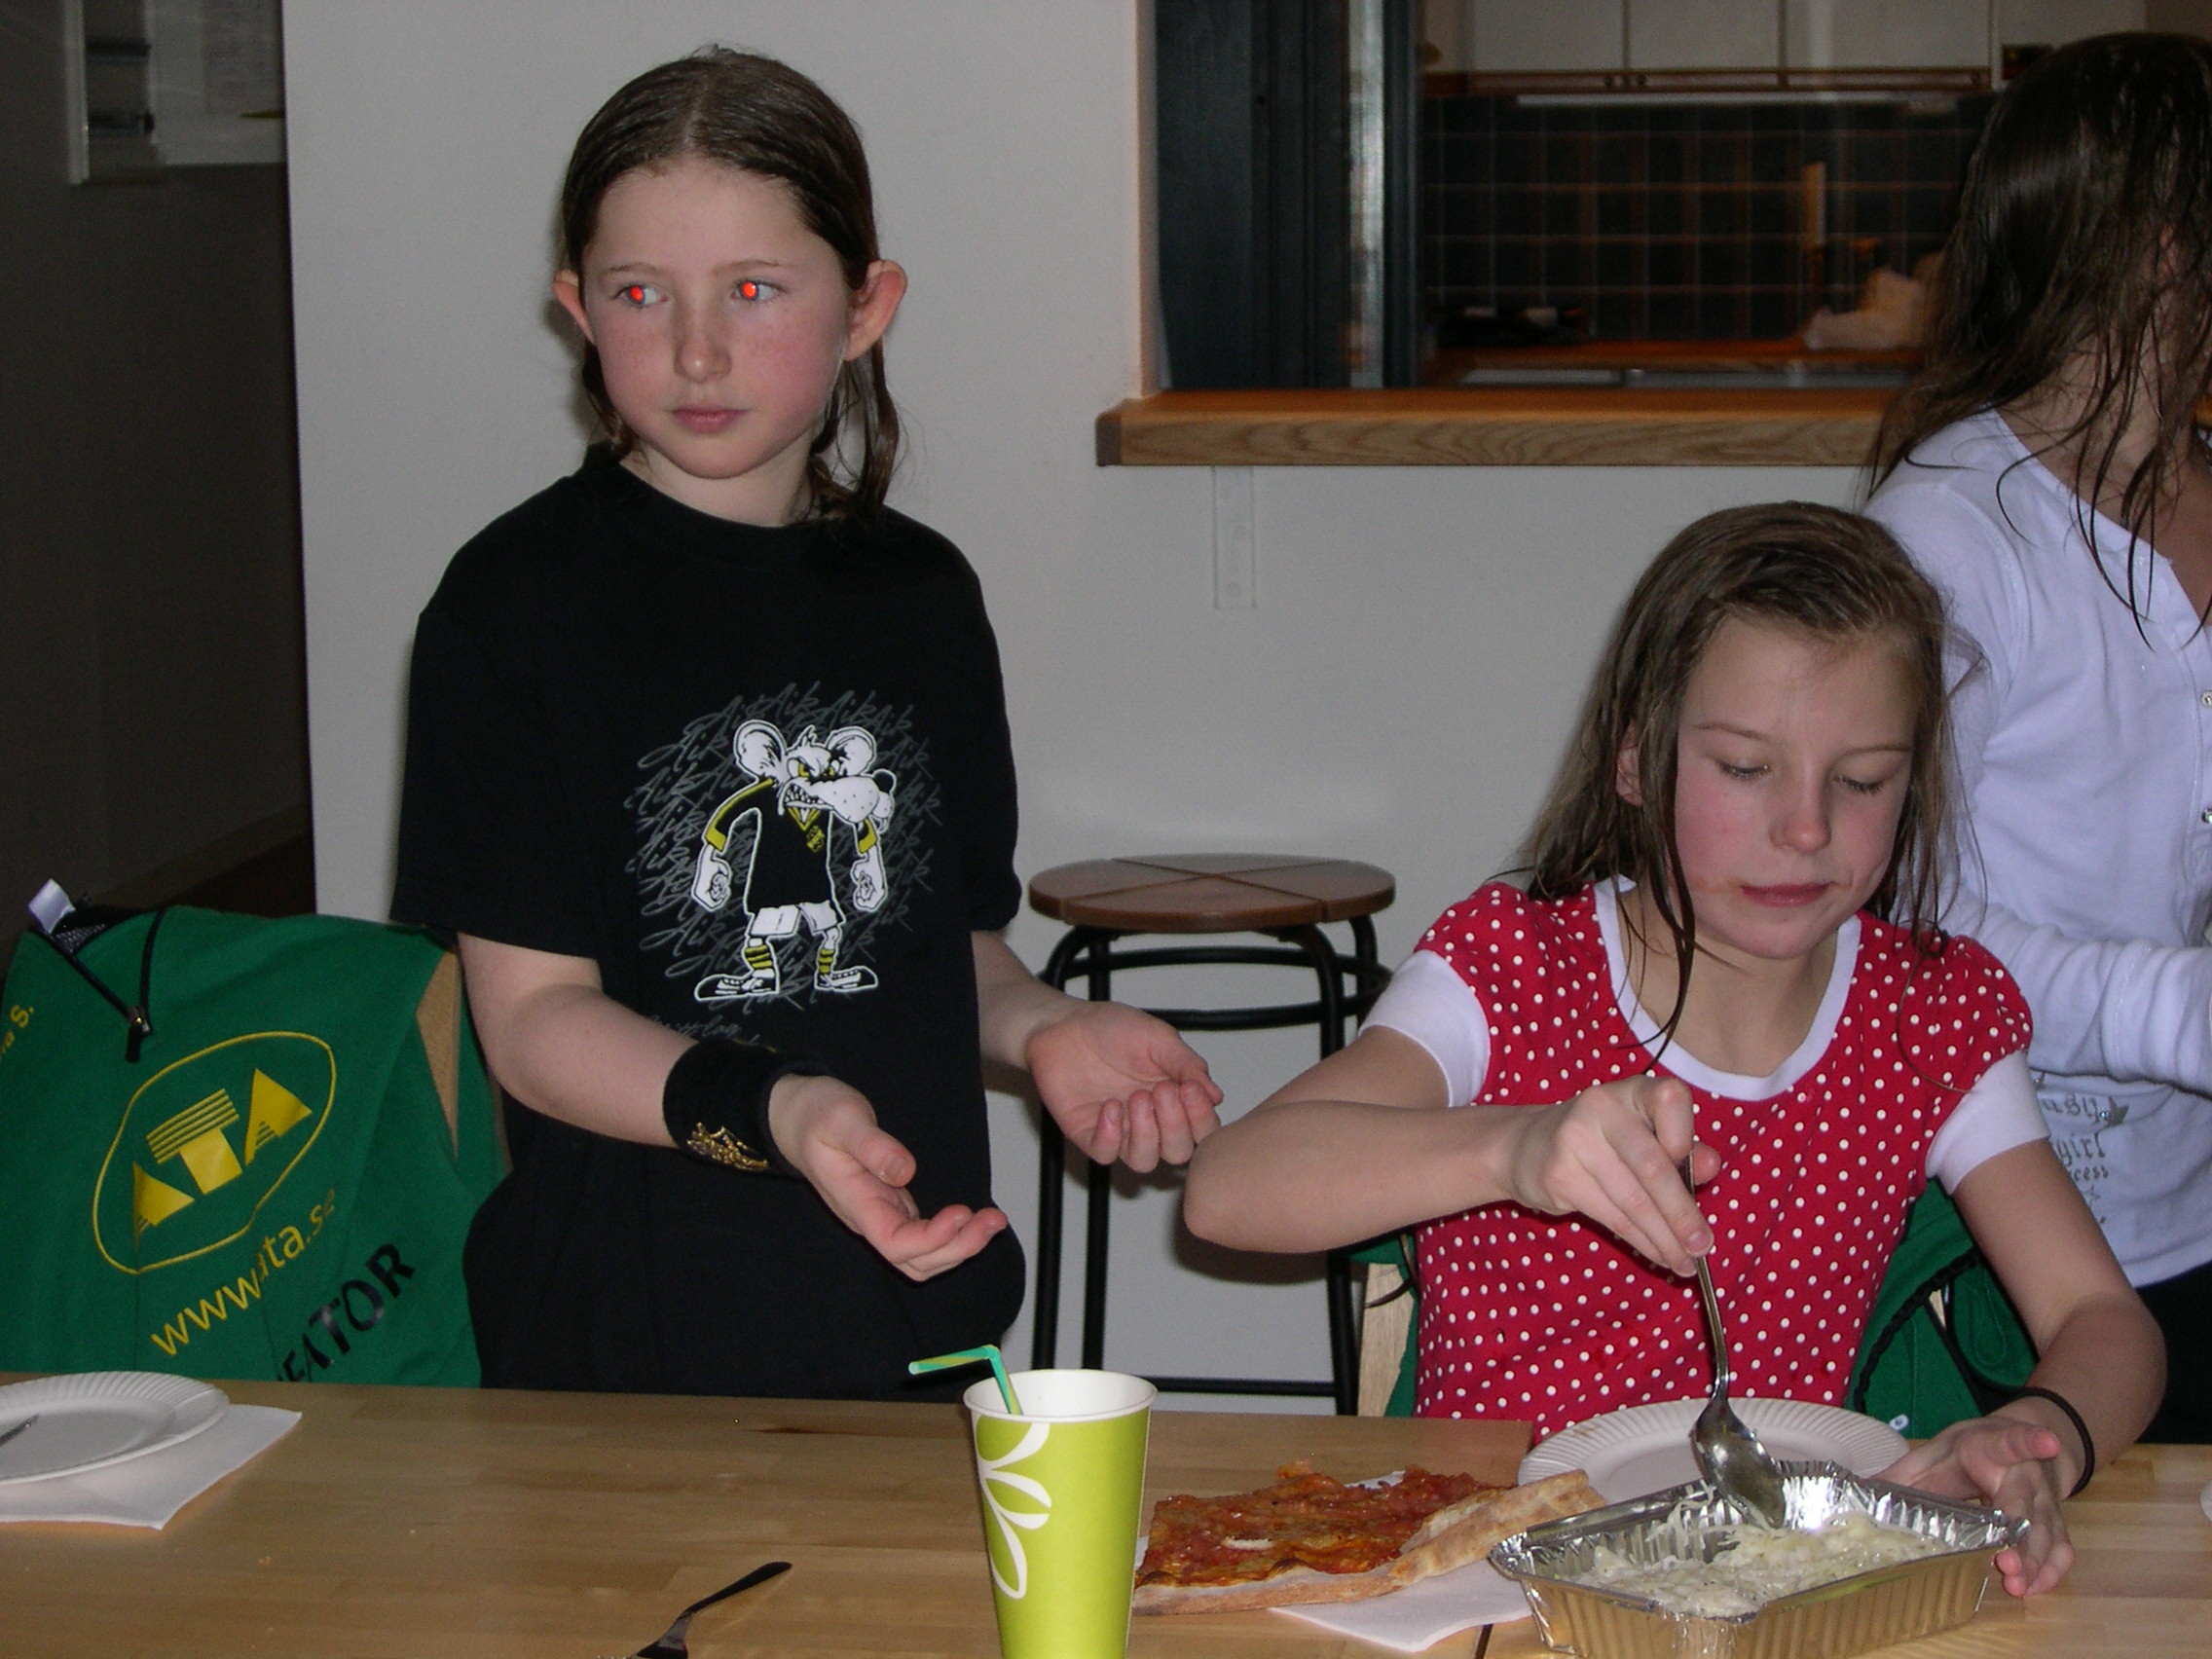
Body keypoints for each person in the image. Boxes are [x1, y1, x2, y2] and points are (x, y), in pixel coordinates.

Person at [390, 49, 1220, 1402]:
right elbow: (533, 1025)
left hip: (906, 1308)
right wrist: (771, 1106)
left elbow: (948, 951)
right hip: (619, 1344)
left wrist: (1042, 1028)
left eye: (755, 289)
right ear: (576, 309)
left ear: (865, 305)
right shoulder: (509, 607)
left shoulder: (924, 598)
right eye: (640, 293)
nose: (696, 349)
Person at [1182, 504, 2163, 1596]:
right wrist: (1514, 1149)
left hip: (1771, 1585)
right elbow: (1226, 1189)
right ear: (1637, 761)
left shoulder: (1929, 1017)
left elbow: (2103, 1320)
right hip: (1492, 1580)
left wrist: (2039, 1438)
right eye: (1745, 767)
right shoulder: (1513, 971)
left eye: (1862, 781)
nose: (1806, 829)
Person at [1864, 33, 2212, 1443]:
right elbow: (1901, 921)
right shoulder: (1948, 531)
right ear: (2153, 248)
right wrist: (2182, 1015)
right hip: (2006, 1241)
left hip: (2193, 1198)